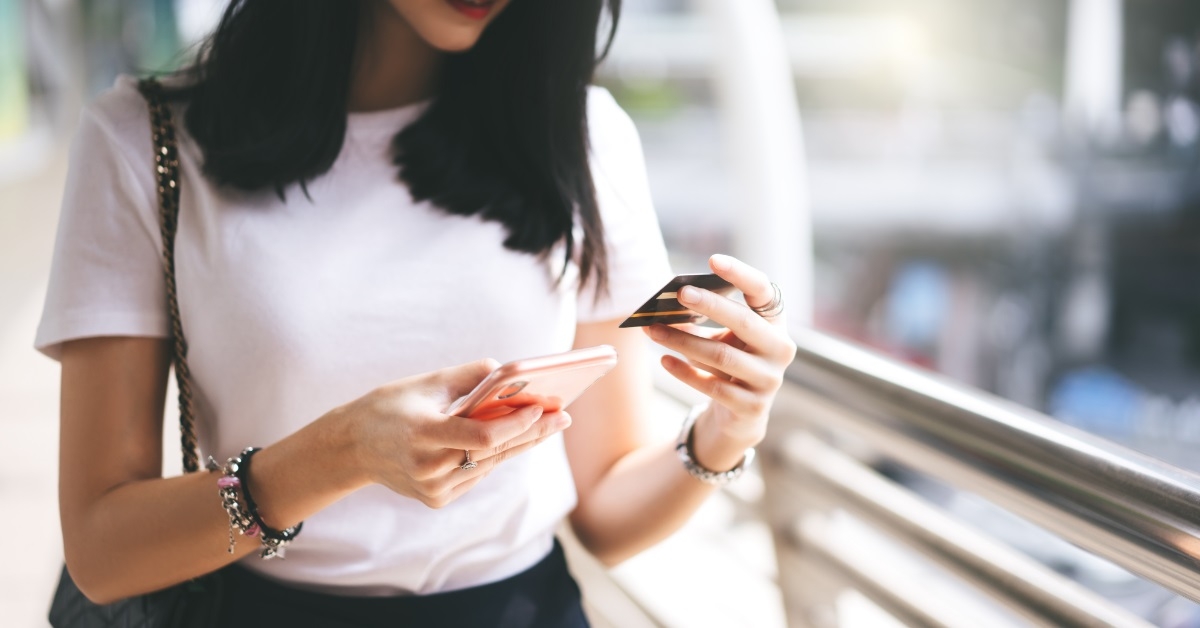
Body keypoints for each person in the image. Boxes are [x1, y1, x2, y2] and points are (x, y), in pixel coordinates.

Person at [35, 0, 797, 626]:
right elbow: (103, 551)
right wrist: (342, 452)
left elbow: (603, 512)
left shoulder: (583, 136)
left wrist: (727, 430)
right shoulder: (143, 141)